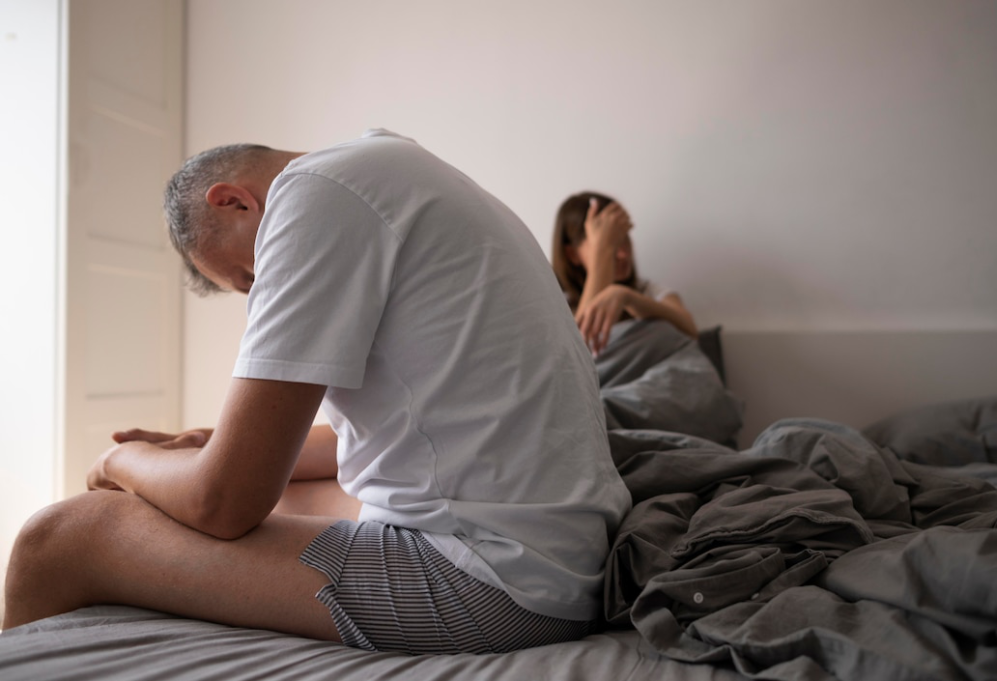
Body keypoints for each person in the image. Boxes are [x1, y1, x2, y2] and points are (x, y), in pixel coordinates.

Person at [3, 130, 632, 655]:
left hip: (496, 585)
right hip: (565, 559)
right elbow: (412, 435)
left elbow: (223, 503)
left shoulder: (314, 197)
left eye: (247, 277)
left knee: (61, 536)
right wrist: (214, 443)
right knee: (294, 491)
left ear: (231, 201)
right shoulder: (394, 167)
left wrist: (120, 462)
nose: (257, 290)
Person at [551, 191, 698, 355]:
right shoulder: (555, 305)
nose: (623, 254)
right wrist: (604, 255)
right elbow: (574, 357)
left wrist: (628, 298)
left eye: (624, 239)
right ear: (573, 255)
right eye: (610, 243)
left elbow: (691, 331)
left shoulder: (648, 291)